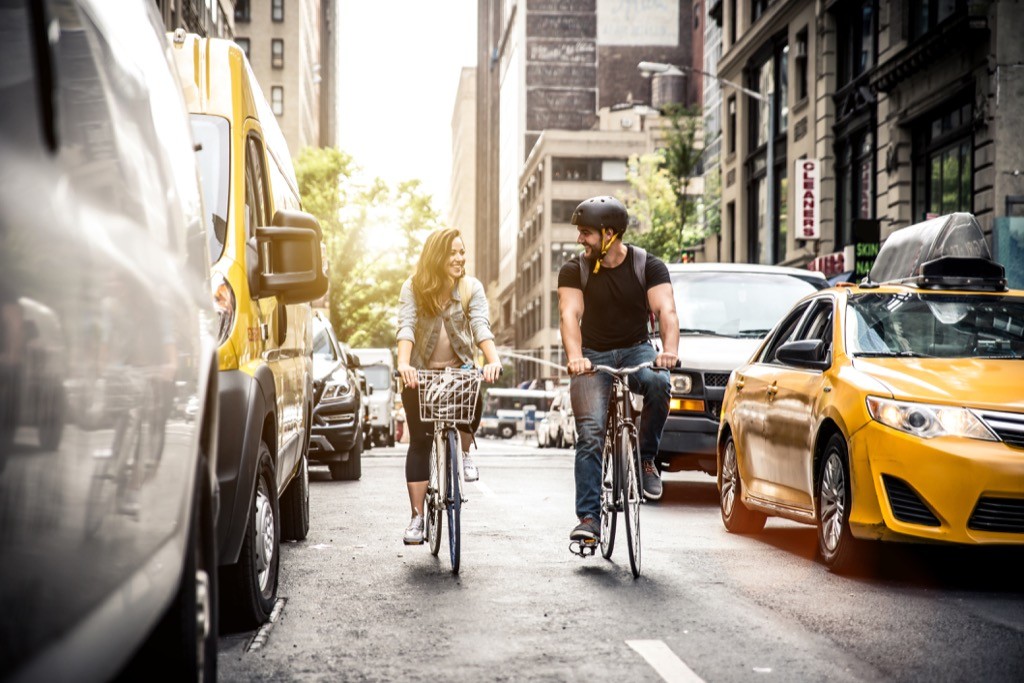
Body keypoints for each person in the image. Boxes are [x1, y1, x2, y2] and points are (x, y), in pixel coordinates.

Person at [557, 196, 680, 543]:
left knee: (658, 383)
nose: (580, 240)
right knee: (591, 433)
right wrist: (576, 356)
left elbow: (667, 311)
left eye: (586, 234)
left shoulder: (648, 265)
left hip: (636, 348)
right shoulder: (574, 269)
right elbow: (569, 314)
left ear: (609, 234)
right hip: (592, 355)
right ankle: (590, 518)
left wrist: (669, 351)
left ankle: (645, 460)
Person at [396, 228, 503, 545]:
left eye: (462, 251)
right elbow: (406, 326)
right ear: (437, 256)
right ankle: (417, 518)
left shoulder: (470, 288)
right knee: (420, 441)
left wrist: (492, 360)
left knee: (475, 389)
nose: (460, 258)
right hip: (421, 376)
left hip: (458, 372)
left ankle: (466, 452)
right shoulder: (413, 288)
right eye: (453, 253)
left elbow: (481, 325)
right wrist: (404, 365)